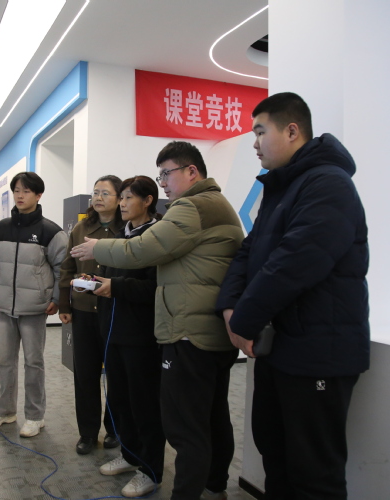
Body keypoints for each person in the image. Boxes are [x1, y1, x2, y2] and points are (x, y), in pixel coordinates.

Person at [215, 92, 370, 500]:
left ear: (292, 131)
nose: (254, 143)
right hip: (281, 349)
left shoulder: (329, 185)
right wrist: (229, 306)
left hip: (318, 352)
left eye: (260, 132)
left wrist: (243, 319)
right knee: (275, 456)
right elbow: (249, 251)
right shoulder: (282, 188)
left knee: (313, 472)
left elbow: (295, 262)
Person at [71, 141, 244, 500]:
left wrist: (96, 248)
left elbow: (142, 251)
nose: (163, 182)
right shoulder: (213, 205)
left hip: (187, 332)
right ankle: (211, 485)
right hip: (195, 327)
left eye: (166, 174)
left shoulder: (191, 208)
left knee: (184, 424)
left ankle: (176, 482)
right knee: (205, 415)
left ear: (191, 172)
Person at [0, 171, 68, 438]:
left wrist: (56, 299)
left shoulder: (51, 232)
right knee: (5, 361)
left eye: (26, 191)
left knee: (33, 363)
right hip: (5, 307)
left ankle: (35, 416)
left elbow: (63, 269)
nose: (20, 195)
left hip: (35, 308)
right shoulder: (1, 229)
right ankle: (5, 410)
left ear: (38, 195)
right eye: (16, 190)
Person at [93, 176, 166, 498]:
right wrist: (98, 283)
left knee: (144, 404)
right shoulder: (120, 235)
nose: (121, 203)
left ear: (148, 200)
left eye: (128, 198)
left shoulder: (156, 236)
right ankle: (130, 454)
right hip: (113, 331)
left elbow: (155, 288)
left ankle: (150, 470)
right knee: (120, 401)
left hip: (141, 336)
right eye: (120, 197)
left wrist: (117, 287)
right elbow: (114, 282)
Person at [58, 175, 124, 455]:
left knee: (117, 375)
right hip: (84, 311)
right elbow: (67, 267)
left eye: (105, 193)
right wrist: (64, 305)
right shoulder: (81, 228)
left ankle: (114, 429)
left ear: (120, 198)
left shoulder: (127, 228)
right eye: (95, 192)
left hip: (116, 312)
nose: (98, 197)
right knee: (85, 375)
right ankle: (87, 433)